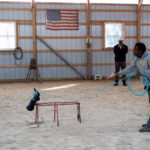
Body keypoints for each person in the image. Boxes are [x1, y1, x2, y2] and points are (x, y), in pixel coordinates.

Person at [107, 42, 150, 132]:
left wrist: (142, 72)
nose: (133, 51)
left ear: (140, 51)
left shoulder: (149, 57)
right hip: (148, 84)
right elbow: (129, 68)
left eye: (135, 50)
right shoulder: (137, 58)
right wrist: (117, 73)